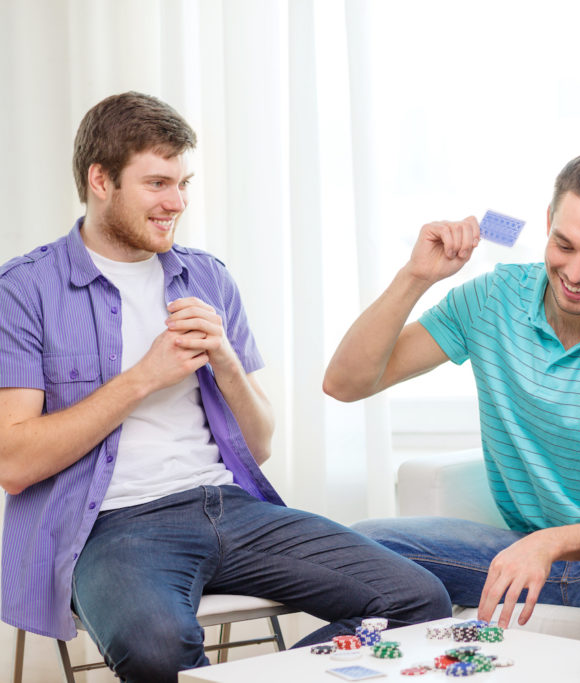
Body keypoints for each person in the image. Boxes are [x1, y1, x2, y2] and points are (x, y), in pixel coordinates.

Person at [0, 91, 450, 683]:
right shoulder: (24, 290)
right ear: (100, 180)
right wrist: (143, 378)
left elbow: (258, 445)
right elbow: (14, 462)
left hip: (227, 506)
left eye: (183, 183)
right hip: (112, 525)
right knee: (156, 646)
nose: (177, 202)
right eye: (159, 183)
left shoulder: (205, 275)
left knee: (418, 601)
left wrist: (226, 361)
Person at [322, 148, 580, 648]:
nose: (575, 271)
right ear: (548, 223)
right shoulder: (492, 299)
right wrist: (416, 276)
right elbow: (346, 383)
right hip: (528, 552)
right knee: (358, 544)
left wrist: (547, 544)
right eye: (564, 245)